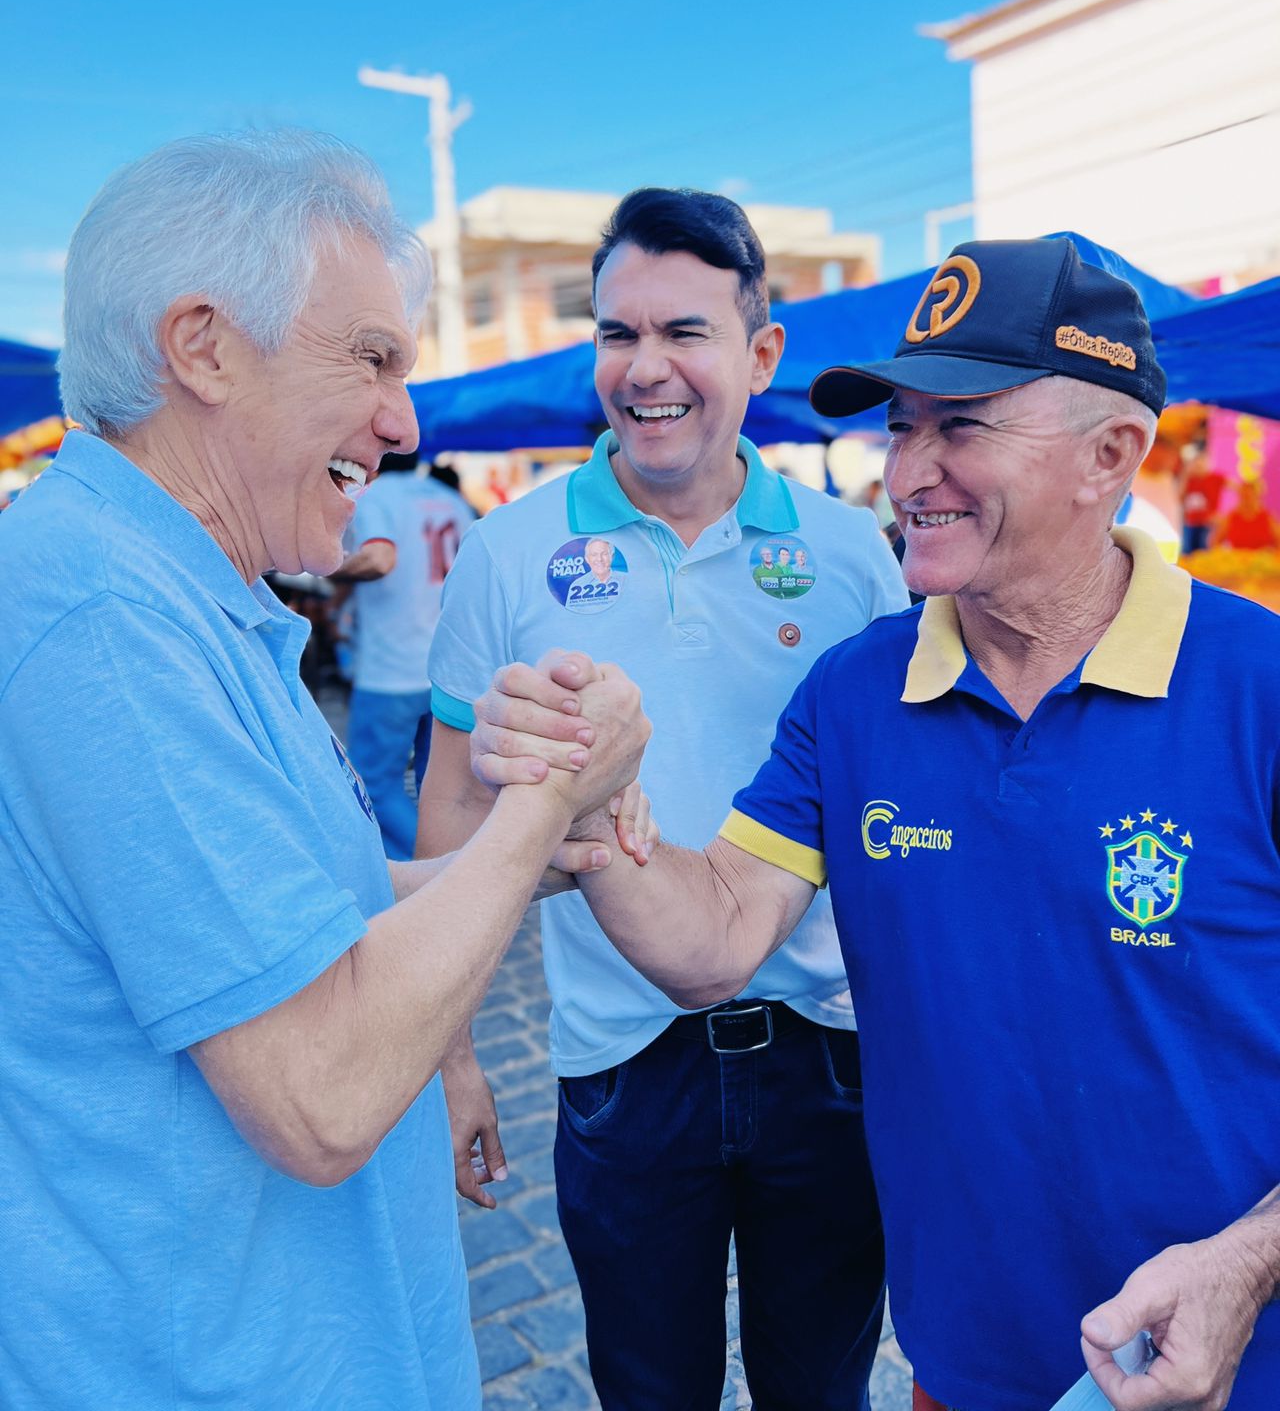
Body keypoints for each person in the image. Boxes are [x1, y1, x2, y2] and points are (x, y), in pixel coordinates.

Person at [473, 237, 1280, 1411]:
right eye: (900, 427)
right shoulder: (855, 692)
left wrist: (1244, 1263)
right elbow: (712, 940)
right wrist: (589, 804)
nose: (909, 473)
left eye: (962, 424)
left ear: (1109, 454)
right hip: (962, 1371)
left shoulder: (1255, 684)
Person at [0, 129, 649, 1411]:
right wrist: (537, 802)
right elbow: (323, 1090)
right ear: (203, 347)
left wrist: (529, 857)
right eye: (370, 358)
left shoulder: (187, 594)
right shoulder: (106, 621)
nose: (403, 421)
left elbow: (313, 911)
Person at [418, 187, 907, 1410]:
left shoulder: (853, 556)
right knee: (646, 1391)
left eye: (682, 332)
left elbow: (898, 815)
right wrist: (450, 1055)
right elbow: (447, 813)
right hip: (620, 1066)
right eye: (613, 332)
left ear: (758, 352)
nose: (644, 370)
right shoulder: (506, 553)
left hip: (829, 1061)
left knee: (822, 1391)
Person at [331, 447, 476, 858]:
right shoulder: (450, 500)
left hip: (391, 666)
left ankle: (431, 870)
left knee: (375, 782)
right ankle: (450, 868)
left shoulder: (375, 498)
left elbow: (379, 558)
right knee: (440, 789)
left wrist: (324, 567)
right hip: (449, 666)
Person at [1211, 478, 1280, 551]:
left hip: (1262, 559)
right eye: (1243, 496)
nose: (1247, 500)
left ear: (1258, 496)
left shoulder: (1268, 518)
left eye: (1250, 496)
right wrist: (1221, 556)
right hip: (1238, 560)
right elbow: (1215, 541)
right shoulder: (1231, 517)